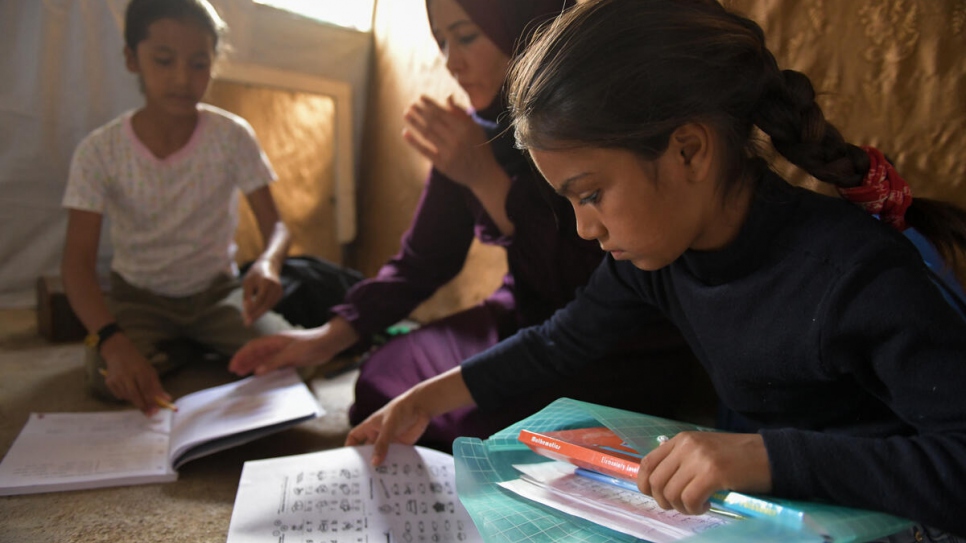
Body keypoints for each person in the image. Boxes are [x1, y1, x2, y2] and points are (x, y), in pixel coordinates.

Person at [345, 0, 966, 538]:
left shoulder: (851, 276)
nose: (584, 228)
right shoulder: (661, 259)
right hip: (785, 507)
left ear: (688, 151)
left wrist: (768, 457)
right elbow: (558, 343)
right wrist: (425, 398)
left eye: (590, 195)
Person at [230, 0, 706, 450]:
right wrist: (324, 340)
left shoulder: (596, 124)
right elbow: (420, 262)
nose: (451, 62)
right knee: (382, 377)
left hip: (615, 342)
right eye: (441, 43)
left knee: (496, 428)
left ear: (524, 27)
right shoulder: (470, 133)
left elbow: (598, 281)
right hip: (524, 315)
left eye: (466, 37)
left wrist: (483, 178)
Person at [62, 0, 293, 416]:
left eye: (199, 63)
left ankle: (183, 346)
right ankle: (182, 346)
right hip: (137, 298)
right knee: (108, 379)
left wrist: (269, 264)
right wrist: (113, 341)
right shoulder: (100, 151)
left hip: (218, 294)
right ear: (132, 58)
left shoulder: (232, 136)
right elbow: (76, 266)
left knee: (288, 360)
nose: (183, 79)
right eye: (164, 61)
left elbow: (276, 228)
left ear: (213, 63)